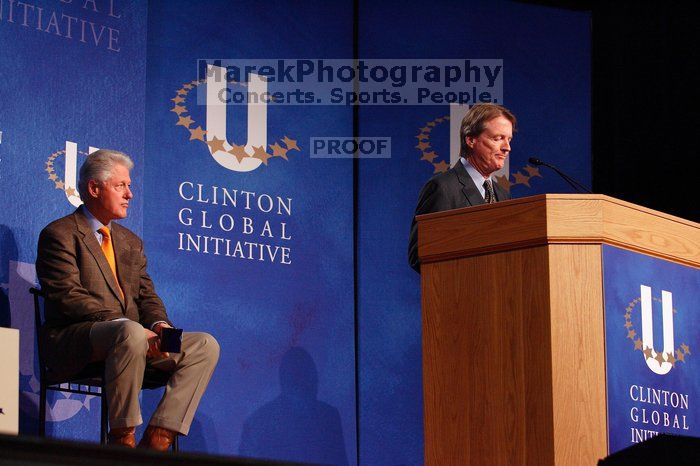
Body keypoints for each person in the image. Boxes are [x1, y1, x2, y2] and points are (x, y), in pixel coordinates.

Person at [36, 149, 219, 450]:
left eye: (129, 186)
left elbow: (147, 296)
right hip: (77, 339)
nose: (130, 194)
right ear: (94, 189)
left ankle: (158, 438)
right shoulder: (60, 234)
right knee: (131, 332)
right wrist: (125, 325)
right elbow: (67, 296)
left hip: (133, 340)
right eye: (121, 186)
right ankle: (122, 439)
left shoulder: (130, 242)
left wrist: (159, 326)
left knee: (204, 345)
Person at [408, 103, 516, 272]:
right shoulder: (443, 188)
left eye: (509, 139)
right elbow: (419, 255)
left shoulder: (502, 194)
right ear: (471, 140)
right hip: (458, 293)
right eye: (497, 138)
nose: (507, 148)